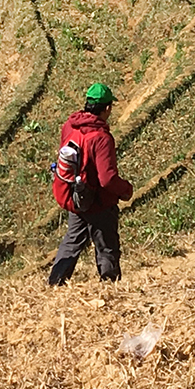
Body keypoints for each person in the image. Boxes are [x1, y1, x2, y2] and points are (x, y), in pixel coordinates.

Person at [49, 82, 133, 286]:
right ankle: (110, 286)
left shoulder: (70, 126)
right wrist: (125, 190)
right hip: (99, 203)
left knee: (72, 242)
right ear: (106, 108)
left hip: (75, 197)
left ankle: (55, 283)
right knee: (106, 246)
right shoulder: (101, 138)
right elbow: (107, 178)